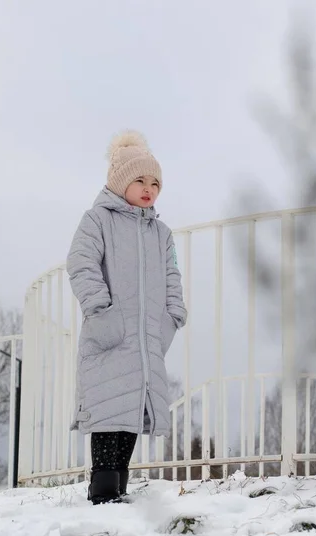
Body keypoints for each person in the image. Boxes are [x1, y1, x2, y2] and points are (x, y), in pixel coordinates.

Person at [66, 131, 187, 505]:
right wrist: (101, 311)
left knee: (136, 407)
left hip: (148, 337)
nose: (149, 189)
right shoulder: (97, 220)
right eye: (140, 180)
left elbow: (172, 278)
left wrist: (172, 318)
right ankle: (102, 487)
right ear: (120, 182)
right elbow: (81, 264)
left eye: (155, 183)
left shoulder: (161, 233)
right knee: (108, 409)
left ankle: (120, 483)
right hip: (110, 333)